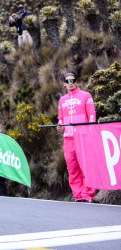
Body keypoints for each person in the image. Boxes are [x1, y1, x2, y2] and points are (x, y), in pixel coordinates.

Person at [57, 73, 96, 203]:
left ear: (76, 82)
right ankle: (78, 195)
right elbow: (61, 119)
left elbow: (92, 116)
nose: (70, 83)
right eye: (67, 81)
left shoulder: (86, 96)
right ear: (64, 84)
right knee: (72, 169)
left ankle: (87, 195)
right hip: (68, 139)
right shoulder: (62, 100)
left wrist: (89, 133)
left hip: (83, 137)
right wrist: (60, 126)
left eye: (73, 80)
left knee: (86, 166)